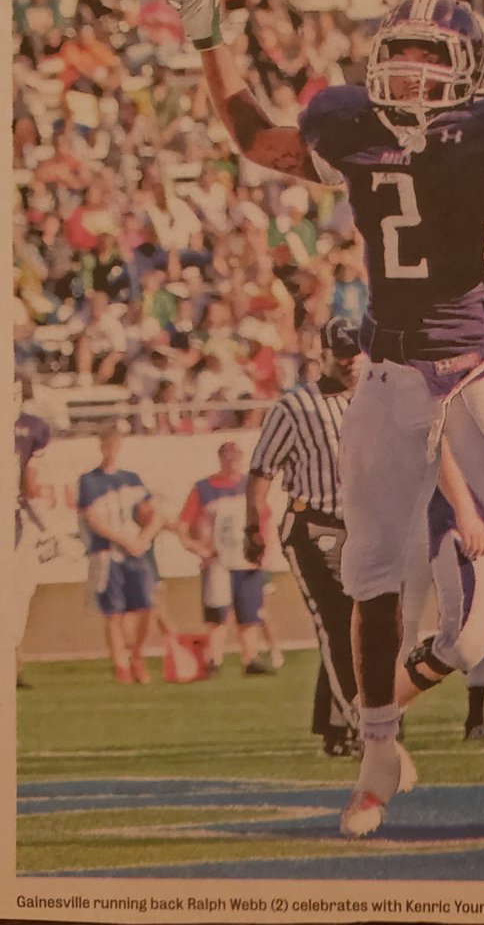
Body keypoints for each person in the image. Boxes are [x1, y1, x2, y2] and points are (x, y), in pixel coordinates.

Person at [168, 0, 484, 840]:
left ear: (465, 68)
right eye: (401, 57)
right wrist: (209, 43)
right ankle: (379, 751)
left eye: (430, 58)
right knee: (372, 571)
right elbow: (254, 139)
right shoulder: (349, 119)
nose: (412, 74)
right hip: (386, 371)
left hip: (475, 366)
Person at [245, 316, 361, 755]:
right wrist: (252, 527)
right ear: (323, 355)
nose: (351, 361)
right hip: (312, 522)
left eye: (356, 351)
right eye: (342, 353)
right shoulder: (295, 408)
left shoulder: (372, 400)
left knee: (361, 624)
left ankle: (337, 726)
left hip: (363, 527)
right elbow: (261, 471)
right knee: (336, 620)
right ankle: (360, 716)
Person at [177, 441, 275, 677]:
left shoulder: (249, 487)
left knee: (249, 613)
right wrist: (197, 547)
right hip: (218, 560)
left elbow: (266, 519)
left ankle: (250, 657)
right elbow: (183, 525)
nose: (232, 462)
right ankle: (214, 658)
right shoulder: (203, 489)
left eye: (236, 457)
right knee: (217, 612)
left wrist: (267, 549)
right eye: (228, 457)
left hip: (246, 558)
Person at [76, 425, 164, 684]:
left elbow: (153, 512)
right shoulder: (90, 480)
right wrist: (123, 539)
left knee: (146, 606)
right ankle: (121, 663)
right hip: (108, 552)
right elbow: (93, 519)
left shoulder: (131, 479)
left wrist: (143, 538)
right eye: (108, 444)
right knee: (114, 612)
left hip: (135, 551)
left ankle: (136, 654)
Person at [14, 385, 51, 688]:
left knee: (19, 592)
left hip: (15, 519)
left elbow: (31, 485)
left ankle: (13, 662)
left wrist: (46, 527)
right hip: (15, 519)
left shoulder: (31, 428)